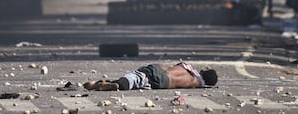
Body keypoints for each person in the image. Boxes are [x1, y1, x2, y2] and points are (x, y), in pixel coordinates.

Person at [83, 62, 218, 91]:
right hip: (164, 84)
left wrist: (152, 66)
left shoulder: (187, 66)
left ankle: (118, 83)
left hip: (159, 72)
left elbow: (166, 67)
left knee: (139, 76)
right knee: (142, 83)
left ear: (203, 71)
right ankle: (111, 83)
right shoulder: (198, 83)